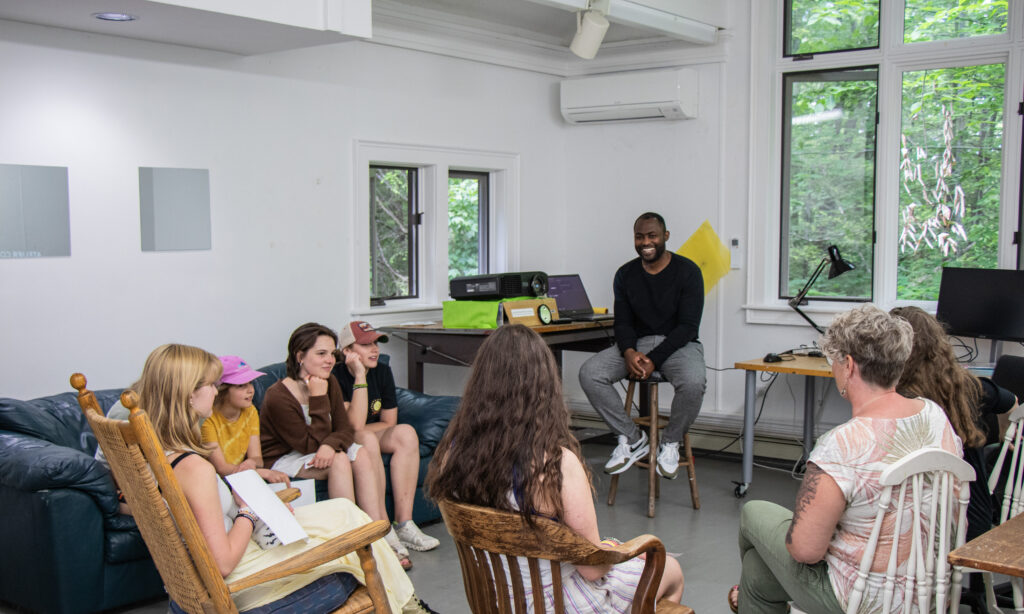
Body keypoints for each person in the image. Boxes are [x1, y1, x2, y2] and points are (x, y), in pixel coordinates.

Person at [132, 343, 435, 613]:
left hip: (215, 577)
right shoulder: (195, 468)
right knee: (355, 556)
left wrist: (250, 509)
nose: (216, 390)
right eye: (212, 384)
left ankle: (409, 605)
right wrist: (250, 511)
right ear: (188, 395)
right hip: (245, 587)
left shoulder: (156, 454)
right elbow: (222, 563)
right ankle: (409, 606)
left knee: (345, 511)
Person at [426, 324, 684, 613]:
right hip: (557, 604)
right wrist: (614, 548)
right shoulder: (555, 464)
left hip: (496, 602)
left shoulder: (453, 452)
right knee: (670, 570)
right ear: (545, 385)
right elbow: (592, 570)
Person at [729, 305, 963, 614]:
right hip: (927, 590)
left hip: (863, 600)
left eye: (833, 362)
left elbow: (806, 550)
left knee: (753, 512)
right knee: (757, 572)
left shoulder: (842, 444)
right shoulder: (934, 415)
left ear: (849, 365)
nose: (832, 368)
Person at [260, 322, 412, 570]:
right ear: (300, 356)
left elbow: (346, 429)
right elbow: (309, 444)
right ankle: (351, 542)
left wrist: (331, 444)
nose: (330, 360)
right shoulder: (277, 396)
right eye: (321, 354)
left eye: (332, 353)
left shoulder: (328, 381)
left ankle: (378, 534)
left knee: (360, 454)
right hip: (286, 456)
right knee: (341, 459)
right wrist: (318, 400)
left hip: (323, 446)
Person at [579, 211, 706, 479]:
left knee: (694, 382)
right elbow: (622, 323)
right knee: (590, 373)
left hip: (678, 345)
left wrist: (654, 359)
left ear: (665, 237)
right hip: (636, 345)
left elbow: (688, 326)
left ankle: (670, 443)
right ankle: (634, 440)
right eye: (639, 236)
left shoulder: (688, 272)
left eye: (652, 236)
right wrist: (628, 352)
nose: (645, 242)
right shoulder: (625, 274)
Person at [890, 306, 1019, 540]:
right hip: (976, 515)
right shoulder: (971, 386)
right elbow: (1012, 402)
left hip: (928, 525)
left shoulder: (899, 399)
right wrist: (1004, 433)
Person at [333, 321, 440, 553]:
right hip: (346, 438)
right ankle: (383, 528)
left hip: (371, 432)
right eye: (366, 344)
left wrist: (365, 431)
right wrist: (360, 375)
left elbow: (389, 422)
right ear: (347, 352)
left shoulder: (382, 371)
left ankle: (404, 524)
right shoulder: (335, 376)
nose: (375, 349)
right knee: (367, 438)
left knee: (406, 433)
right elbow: (352, 425)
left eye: (376, 343)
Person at [202, 355, 290, 485]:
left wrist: (251, 462)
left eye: (250, 383)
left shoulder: (250, 411)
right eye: (241, 385)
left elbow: (258, 459)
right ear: (222, 390)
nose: (251, 390)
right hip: (215, 483)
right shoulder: (208, 420)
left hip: (240, 477)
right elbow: (221, 468)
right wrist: (263, 472)